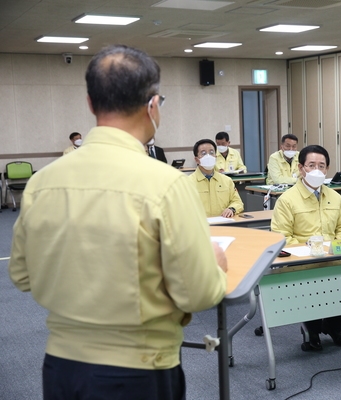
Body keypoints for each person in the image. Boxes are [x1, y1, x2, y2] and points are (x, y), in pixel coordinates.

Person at [9, 44, 228, 400]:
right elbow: (198, 292)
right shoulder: (166, 184)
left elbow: (20, 276)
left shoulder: (42, 182)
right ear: (153, 104)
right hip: (139, 369)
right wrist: (216, 266)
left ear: (90, 104)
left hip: (60, 365)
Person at [271, 145, 341, 350]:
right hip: (302, 263)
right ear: (301, 168)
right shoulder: (287, 200)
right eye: (311, 165)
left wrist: (340, 243)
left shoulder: (334, 196)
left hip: (334, 258)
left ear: (327, 170)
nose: (317, 170)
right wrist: (309, 248)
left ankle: (334, 327)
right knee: (310, 290)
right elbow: (280, 237)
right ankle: (312, 330)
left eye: (322, 166)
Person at [189, 138, 244, 218]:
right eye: (203, 153)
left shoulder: (227, 181)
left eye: (211, 152)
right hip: (199, 227)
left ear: (215, 156)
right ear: (197, 160)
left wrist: (232, 209)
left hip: (224, 225)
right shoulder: (188, 183)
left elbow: (237, 202)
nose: (208, 156)